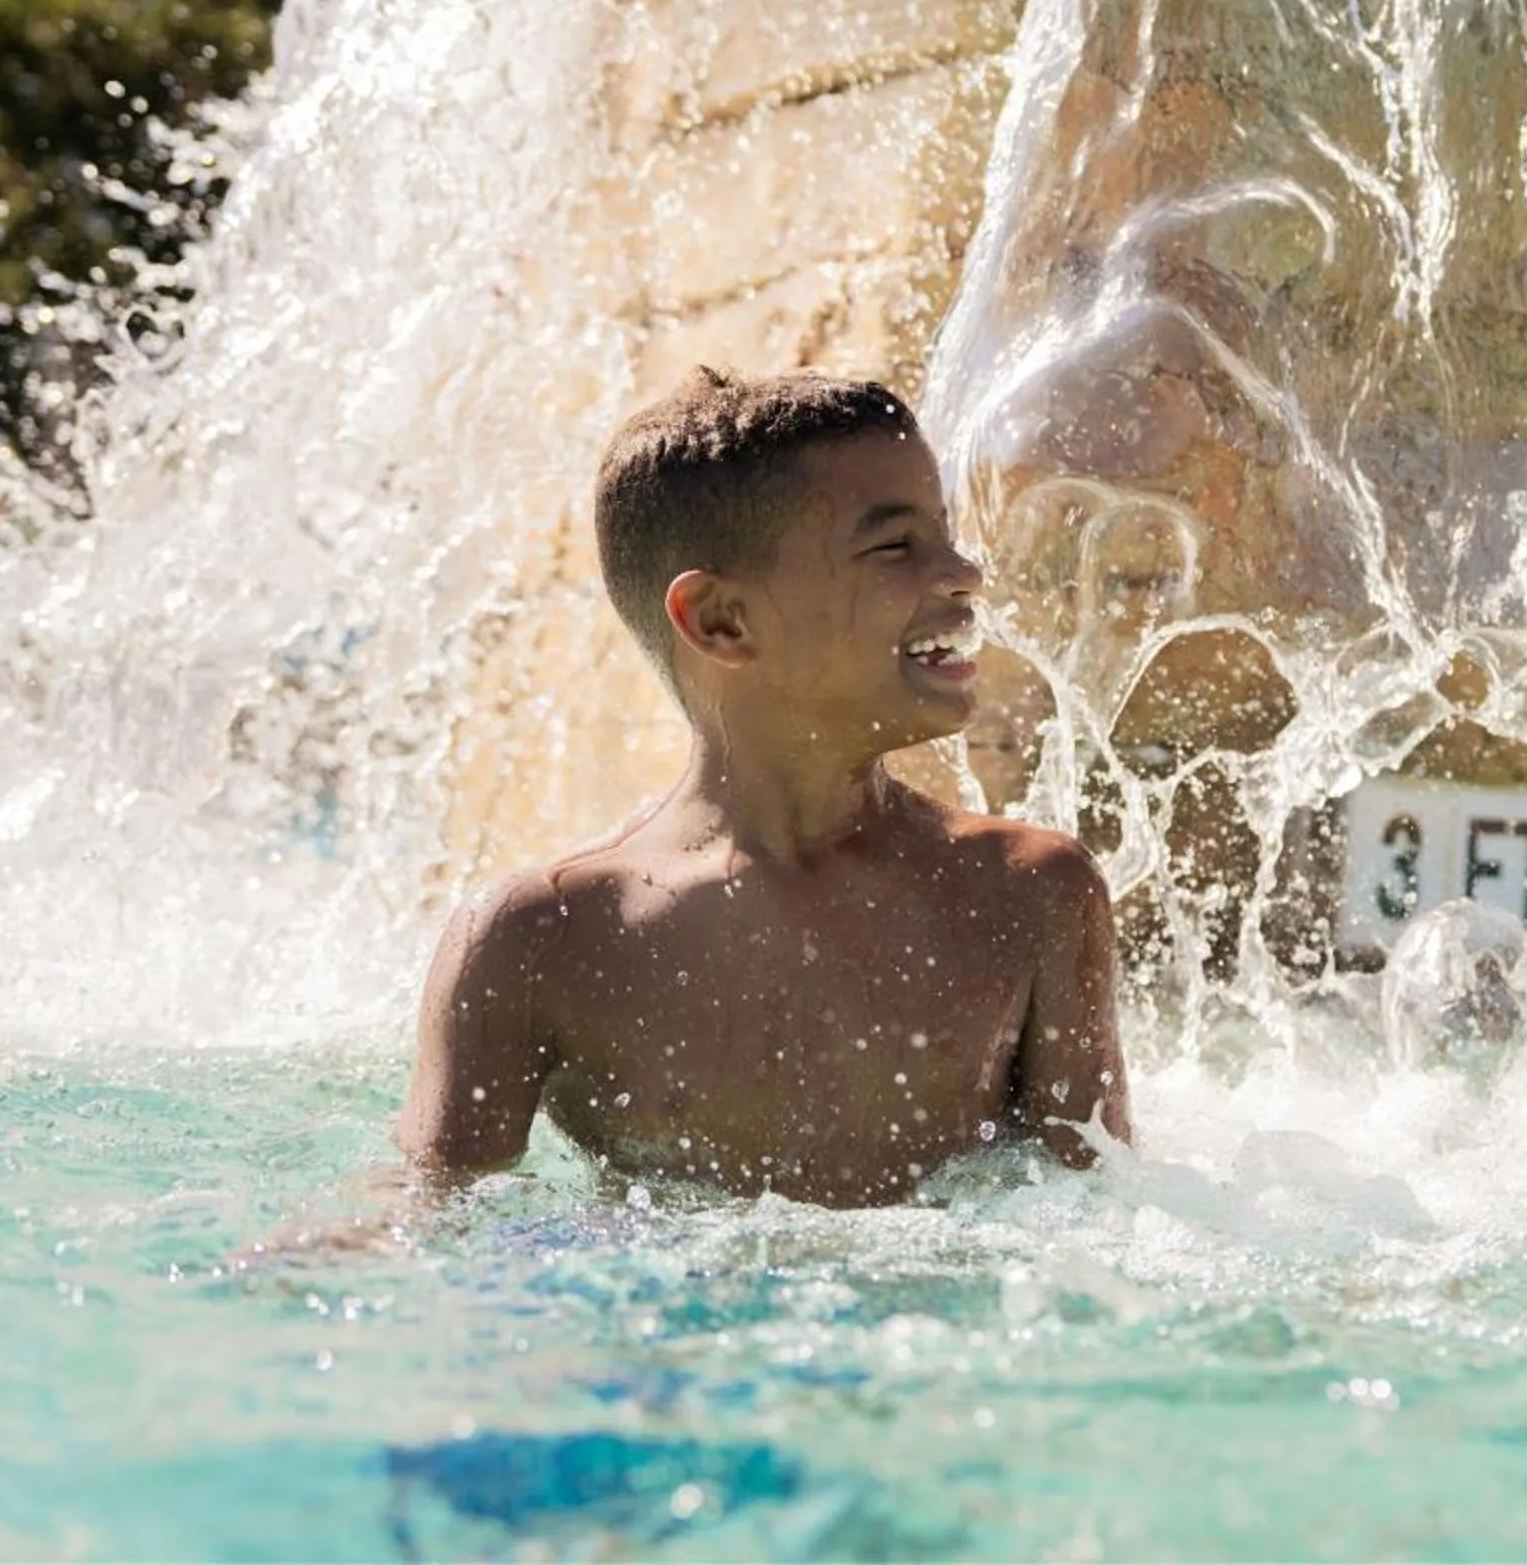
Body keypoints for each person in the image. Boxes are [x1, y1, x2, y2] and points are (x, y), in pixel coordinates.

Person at [393, 369, 1129, 1206]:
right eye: (896, 546)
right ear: (721, 622)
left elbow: (1102, 1222)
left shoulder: (1026, 895)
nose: (965, 573)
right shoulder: (546, 940)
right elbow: (428, 1219)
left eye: (947, 534)